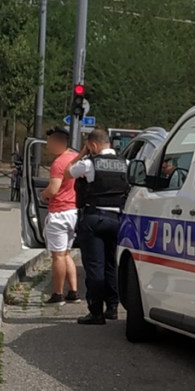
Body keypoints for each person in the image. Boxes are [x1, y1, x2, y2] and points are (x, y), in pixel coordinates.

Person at [66, 129, 129, 325]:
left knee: (95, 266)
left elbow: (67, 171)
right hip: (118, 219)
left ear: (93, 145)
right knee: (112, 264)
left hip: (95, 218)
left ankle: (96, 312)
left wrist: (82, 153)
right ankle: (112, 307)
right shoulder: (125, 164)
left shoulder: (88, 164)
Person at [41, 127, 80, 305]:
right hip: (74, 210)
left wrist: (44, 194)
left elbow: (54, 189)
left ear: (58, 143)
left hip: (59, 212)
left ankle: (58, 294)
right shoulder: (75, 158)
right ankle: (73, 291)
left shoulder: (59, 163)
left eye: (49, 142)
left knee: (57, 256)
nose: (48, 146)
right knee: (66, 254)